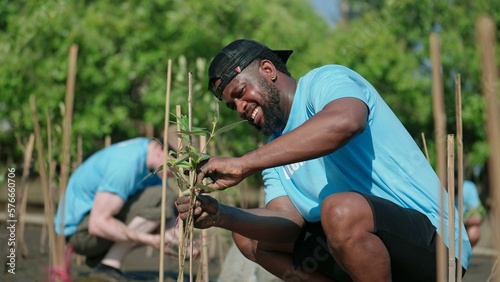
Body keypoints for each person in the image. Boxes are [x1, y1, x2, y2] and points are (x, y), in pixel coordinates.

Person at [176, 39, 472, 281]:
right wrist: (222, 216)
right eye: (232, 106)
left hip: (436, 249)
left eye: (241, 93)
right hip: (359, 253)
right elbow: (287, 223)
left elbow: (346, 122)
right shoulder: (273, 149)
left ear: (267, 70)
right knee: (249, 238)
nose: (240, 108)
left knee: (339, 210)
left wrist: (244, 163)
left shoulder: (324, 82)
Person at [54, 125, 194, 281]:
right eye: (178, 165)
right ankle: (108, 265)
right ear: (161, 150)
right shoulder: (126, 165)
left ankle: (105, 262)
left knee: (164, 198)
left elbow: (162, 215)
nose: (178, 174)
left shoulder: (150, 160)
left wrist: (177, 242)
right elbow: (98, 224)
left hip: (92, 228)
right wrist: (151, 241)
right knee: (163, 196)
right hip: (79, 234)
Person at [456, 179, 485, 247]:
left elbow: (478, 218)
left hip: (464, 225)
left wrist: (463, 221)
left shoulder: (469, 187)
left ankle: (465, 254)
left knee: (474, 232)